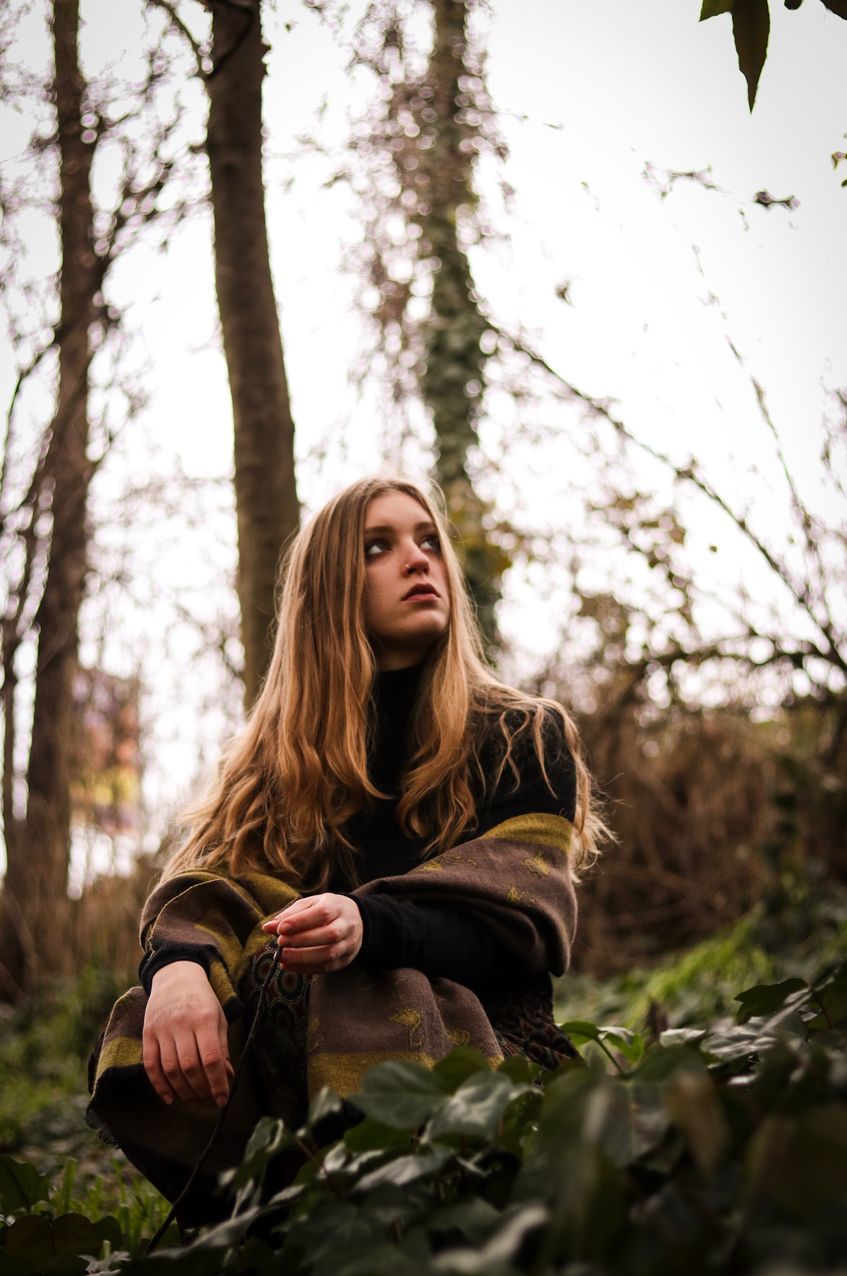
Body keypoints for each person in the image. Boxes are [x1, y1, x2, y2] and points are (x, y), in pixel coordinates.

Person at [88, 475, 604, 1221]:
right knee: (194, 989)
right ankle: (271, 1218)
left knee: (333, 972)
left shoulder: (522, 734)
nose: (418, 560)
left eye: (428, 541)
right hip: (300, 1077)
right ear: (329, 588)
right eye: (379, 547)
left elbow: (521, 927)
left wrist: (368, 927)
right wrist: (177, 968)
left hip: (494, 1060)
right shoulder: (270, 767)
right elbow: (210, 890)